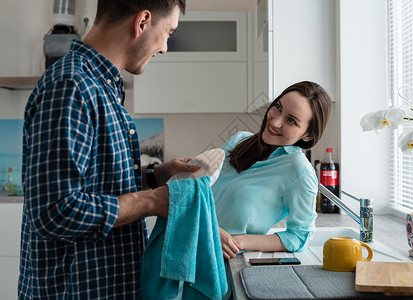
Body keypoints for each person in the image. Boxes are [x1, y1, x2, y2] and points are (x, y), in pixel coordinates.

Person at [18, 1, 201, 299]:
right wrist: (152, 202)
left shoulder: (101, 87)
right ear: (142, 22)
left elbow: (97, 182)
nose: (165, 47)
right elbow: (55, 211)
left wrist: (156, 176)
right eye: (168, 32)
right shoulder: (71, 86)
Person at [212, 81, 332, 259]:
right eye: (278, 107)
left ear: (307, 135)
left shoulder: (300, 172)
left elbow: (299, 236)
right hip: (187, 241)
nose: (275, 121)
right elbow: (203, 190)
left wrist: (239, 241)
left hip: (219, 260)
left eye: (291, 120)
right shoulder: (239, 140)